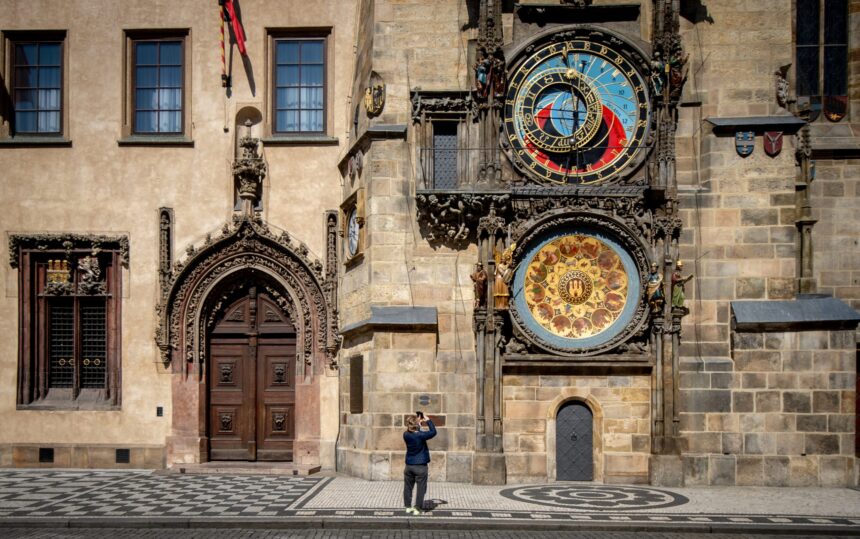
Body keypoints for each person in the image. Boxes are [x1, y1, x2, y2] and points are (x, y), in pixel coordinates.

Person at [403, 413, 436, 515]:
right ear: (416, 424)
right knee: (421, 488)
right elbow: (433, 432)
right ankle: (417, 508)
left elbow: (415, 432)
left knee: (408, 487)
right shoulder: (421, 436)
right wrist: (428, 420)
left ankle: (408, 507)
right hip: (420, 466)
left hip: (409, 466)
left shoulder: (406, 434)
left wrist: (418, 424)